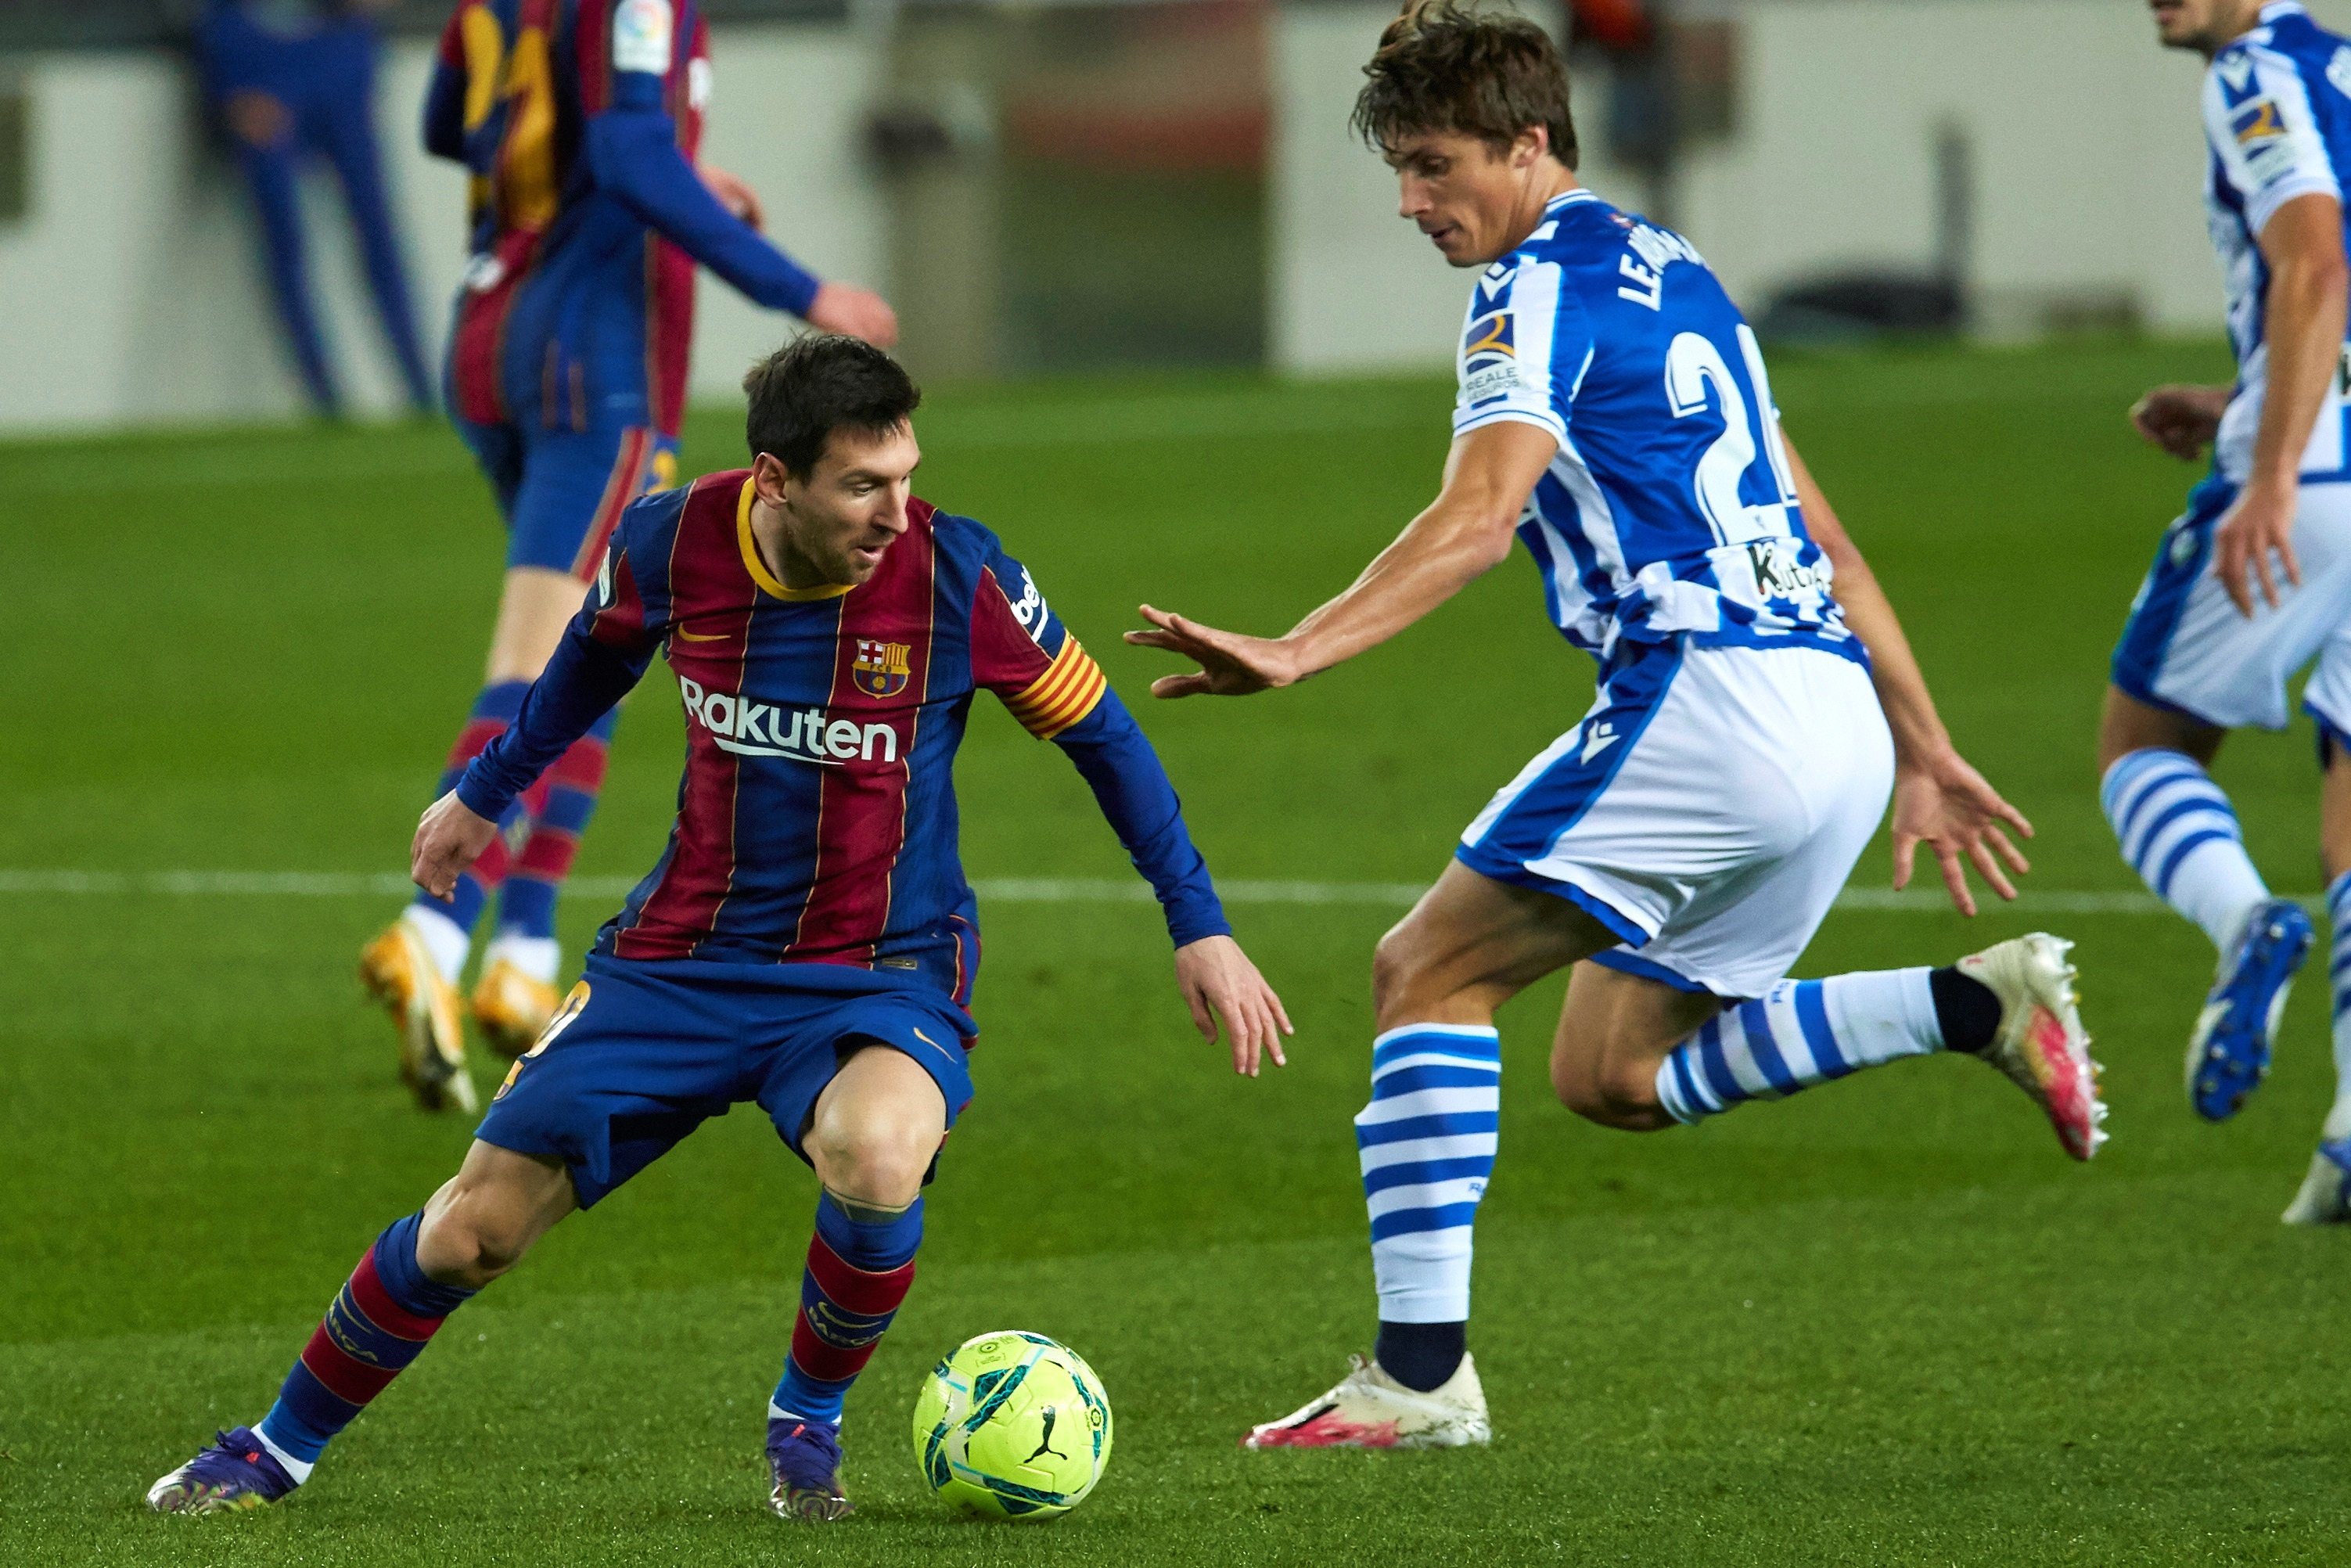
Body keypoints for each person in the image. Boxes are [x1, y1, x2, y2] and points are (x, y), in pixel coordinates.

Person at [1126, 0, 2105, 1450]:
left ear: (1529, 145)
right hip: (1823, 710)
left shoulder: (1527, 291)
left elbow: (1477, 515)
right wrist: (1919, 738)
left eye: (1437, 164)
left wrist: (1297, 646)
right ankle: (1974, 1002)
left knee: (1426, 969)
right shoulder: (1677, 266)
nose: (1412, 201)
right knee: (1613, 1074)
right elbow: (1818, 529)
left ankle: (1418, 1376)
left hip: (1712, 695)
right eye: (1397, 168)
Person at [149, 335, 1289, 1519]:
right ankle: (272, 1450)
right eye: (863, 486)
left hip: (879, 968)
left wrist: (1195, 923)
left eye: (905, 475)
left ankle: (806, 1426)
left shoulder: (960, 575)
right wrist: (484, 794)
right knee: (473, 1231)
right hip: (679, 961)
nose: (897, 512)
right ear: (774, 479)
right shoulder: (671, 540)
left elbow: (1104, 735)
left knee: (879, 1152)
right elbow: (585, 668)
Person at [361, 0, 902, 1113]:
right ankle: (431, 926)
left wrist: (666, 188)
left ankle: (518, 955)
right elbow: (627, 149)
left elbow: (445, 122)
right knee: (542, 653)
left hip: (491, 330)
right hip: (594, 354)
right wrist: (803, 293)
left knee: (604, 630)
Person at [2110, 0, 2351, 1222]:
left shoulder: (2254, 71)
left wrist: (2266, 466)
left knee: (2139, 750)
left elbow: (2316, 258)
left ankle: (2243, 919)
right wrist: (2238, 391)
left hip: (2309, 476)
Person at [195, 0, 434, 417]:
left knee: (376, 227)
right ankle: (324, 399)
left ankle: (420, 390)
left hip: (336, 52)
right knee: (285, 237)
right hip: (261, 56)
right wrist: (230, 77)